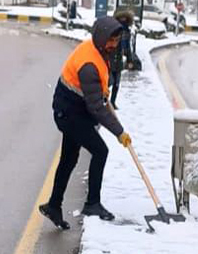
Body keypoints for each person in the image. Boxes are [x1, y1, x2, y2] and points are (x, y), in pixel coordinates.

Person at [39, 17, 132, 228]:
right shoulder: (89, 64)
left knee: (69, 159)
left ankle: (53, 205)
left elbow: (97, 96)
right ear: (101, 38)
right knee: (100, 151)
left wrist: (103, 95)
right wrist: (119, 132)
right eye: (112, 40)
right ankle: (92, 203)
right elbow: (96, 107)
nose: (114, 45)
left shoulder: (97, 49)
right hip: (70, 113)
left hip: (71, 110)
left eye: (117, 40)